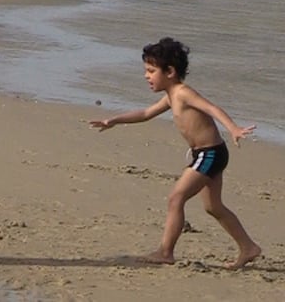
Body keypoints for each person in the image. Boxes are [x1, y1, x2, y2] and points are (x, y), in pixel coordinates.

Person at [89, 37, 260, 270]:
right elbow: (146, 113)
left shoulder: (183, 93)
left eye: (151, 71)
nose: (146, 76)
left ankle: (166, 252)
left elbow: (212, 108)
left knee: (176, 198)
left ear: (169, 71)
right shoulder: (170, 96)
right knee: (213, 207)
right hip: (210, 154)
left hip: (209, 155)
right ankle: (249, 247)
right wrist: (114, 120)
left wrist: (233, 128)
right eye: (145, 71)